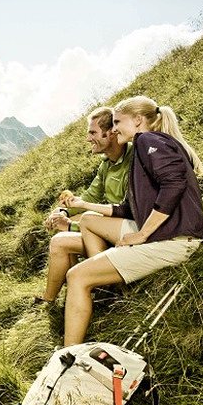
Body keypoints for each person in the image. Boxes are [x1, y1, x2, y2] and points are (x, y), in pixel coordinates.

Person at [62, 95, 203, 345]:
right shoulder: (150, 144)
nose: (114, 127)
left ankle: (68, 355)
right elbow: (129, 209)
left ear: (138, 120)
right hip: (173, 234)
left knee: (77, 276)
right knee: (87, 229)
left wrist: (141, 235)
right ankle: (106, 285)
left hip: (176, 240)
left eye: (118, 121)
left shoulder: (147, 140)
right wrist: (83, 206)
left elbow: (173, 184)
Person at [35, 107, 133, 305]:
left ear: (111, 134)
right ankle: (67, 296)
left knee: (60, 241)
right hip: (107, 228)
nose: (88, 139)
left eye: (93, 132)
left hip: (124, 232)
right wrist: (63, 211)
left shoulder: (133, 160)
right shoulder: (107, 165)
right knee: (62, 236)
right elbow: (89, 196)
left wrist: (70, 225)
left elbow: (125, 210)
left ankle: (101, 289)